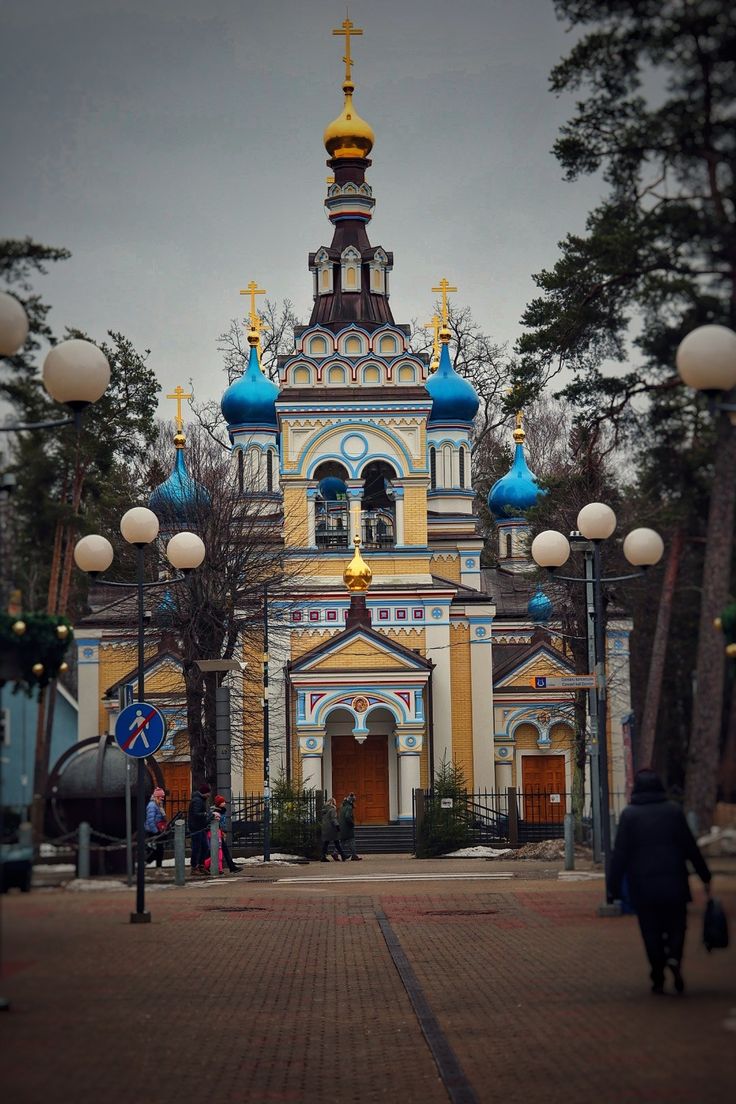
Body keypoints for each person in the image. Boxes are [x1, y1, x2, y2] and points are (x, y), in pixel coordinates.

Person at [608, 768, 711, 995]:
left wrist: (612, 889)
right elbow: (690, 847)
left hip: (643, 885)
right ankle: (674, 957)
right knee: (677, 926)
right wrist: (705, 875)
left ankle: (657, 973)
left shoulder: (630, 815)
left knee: (650, 930)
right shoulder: (673, 812)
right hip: (675, 881)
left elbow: (620, 855)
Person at [213, 794, 241, 873]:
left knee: (223, 850)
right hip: (218, 832)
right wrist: (221, 831)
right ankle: (230, 867)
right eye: (222, 802)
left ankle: (230, 867)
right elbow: (217, 823)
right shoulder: (216, 812)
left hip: (221, 832)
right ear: (219, 803)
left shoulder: (222, 810)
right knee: (223, 850)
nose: (224, 803)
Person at [188, 782, 211, 874]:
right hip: (196, 828)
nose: (209, 795)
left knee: (205, 847)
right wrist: (205, 814)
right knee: (197, 847)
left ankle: (201, 865)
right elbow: (195, 814)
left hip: (201, 827)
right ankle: (194, 867)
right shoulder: (197, 800)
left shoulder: (201, 800)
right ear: (204, 793)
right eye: (208, 793)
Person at [145, 787, 167, 868]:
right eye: (161, 797)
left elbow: (162, 818)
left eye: (163, 797)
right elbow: (150, 820)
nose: (162, 799)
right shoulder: (152, 805)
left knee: (160, 851)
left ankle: (159, 868)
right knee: (157, 850)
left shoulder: (158, 805)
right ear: (156, 797)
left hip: (158, 830)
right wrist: (156, 831)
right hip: (153, 832)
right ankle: (145, 863)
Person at [321, 797, 346, 862]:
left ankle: (323, 856)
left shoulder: (324, 809)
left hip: (325, 827)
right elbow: (333, 819)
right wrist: (337, 826)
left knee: (326, 843)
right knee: (337, 842)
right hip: (332, 828)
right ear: (332, 802)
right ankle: (343, 856)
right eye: (335, 802)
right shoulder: (332, 809)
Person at [339, 792, 362, 861]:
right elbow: (347, 817)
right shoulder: (349, 807)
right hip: (348, 828)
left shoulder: (342, 807)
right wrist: (352, 823)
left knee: (342, 842)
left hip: (342, 827)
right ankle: (354, 855)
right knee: (351, 841)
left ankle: (335, 853)